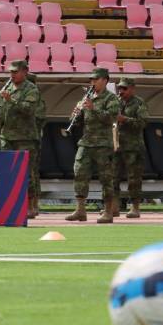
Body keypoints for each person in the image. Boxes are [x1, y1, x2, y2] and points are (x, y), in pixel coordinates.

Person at [64, 67, 120, 224]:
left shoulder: (111, 99)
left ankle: (108, 211)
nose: (92, 82)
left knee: (106, 178)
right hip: (86, 142)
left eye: (96, 79)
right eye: (91, 80)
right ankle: (80, 210)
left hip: (103, 143)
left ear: (105, 80)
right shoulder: (87, 97)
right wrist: (77, 113)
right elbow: (77, 121)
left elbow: (111, 118)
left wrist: (93, 108)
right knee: (79, 173)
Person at [0, 59, 41, 219]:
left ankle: (30, 205)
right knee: (6, 171)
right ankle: (9, 204)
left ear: (25, 72)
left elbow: (29, 110)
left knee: (26, 173)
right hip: (7, 136)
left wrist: (11, 100)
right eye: (10, 72)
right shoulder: (8, 86)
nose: (12, 75)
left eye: (15, 72)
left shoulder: (31, 89)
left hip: (25, 137)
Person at [113, 77, 149, 219]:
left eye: (125, 88)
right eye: (120, 88)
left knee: (134, 179)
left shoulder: (139, 103)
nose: (121, 91)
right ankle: (113, 208)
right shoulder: (116, 102)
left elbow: (143, 123)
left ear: (132, 89)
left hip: (133, 147)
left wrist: (124, 119)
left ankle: (135, 207)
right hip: (117, 145)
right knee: (112, 178)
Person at [27, 72, 47, 218]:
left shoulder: (37, 99)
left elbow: (38, 118)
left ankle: (34, 204)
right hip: (20, 136)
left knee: (32, 173)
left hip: (32, 139)